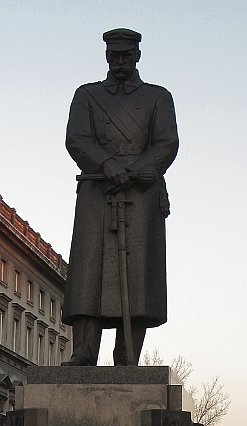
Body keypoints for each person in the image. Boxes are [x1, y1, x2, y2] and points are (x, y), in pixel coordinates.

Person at [62, 28, 179, 366]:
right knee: (88, 270)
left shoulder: (159, 97)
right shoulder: (87, 95)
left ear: (137, 56)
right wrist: (107, 163)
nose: (121, 61)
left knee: (139, 275)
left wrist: (133, 171)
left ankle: (127, 353)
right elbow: (77, 138)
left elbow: (166, 143)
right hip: (97, 188)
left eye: (127, 55)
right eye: (115, 56)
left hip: (141, 193)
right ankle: (83, 351)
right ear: (107, 57)